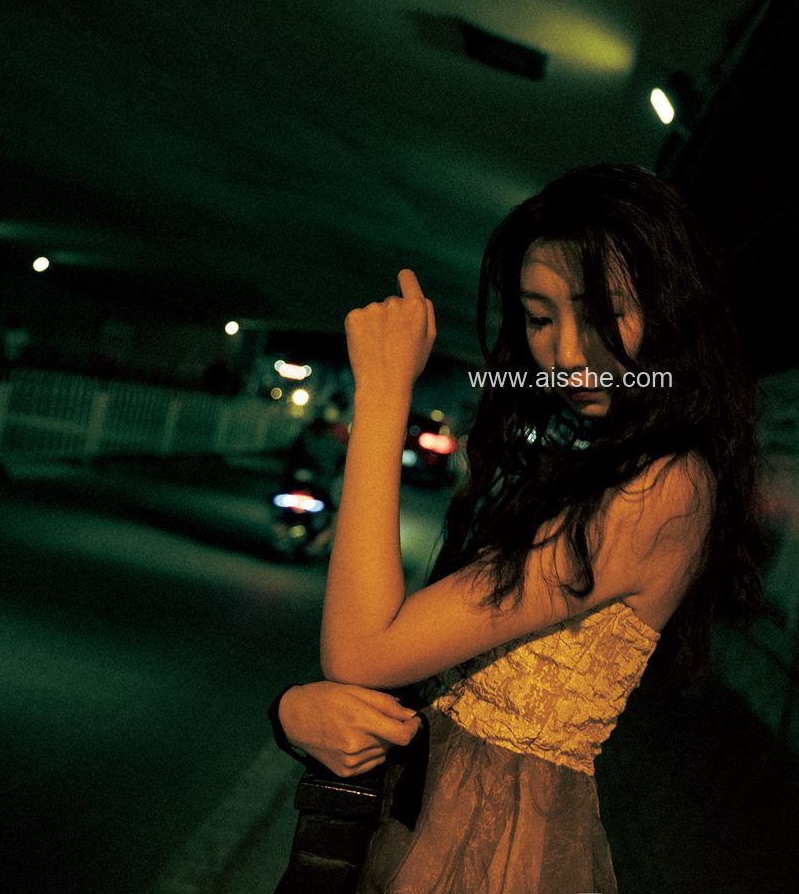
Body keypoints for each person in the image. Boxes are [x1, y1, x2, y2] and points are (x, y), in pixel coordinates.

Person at [276, 164, 766, 893]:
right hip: (445, 822)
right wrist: (292, 714)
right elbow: (418, 664)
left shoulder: (664, 487)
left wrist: (381, 390)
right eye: (540, 320)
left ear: (671, 311)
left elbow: (362, 651)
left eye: (601, 314)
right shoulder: (601, 465)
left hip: (489, 855)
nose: (566, 355)